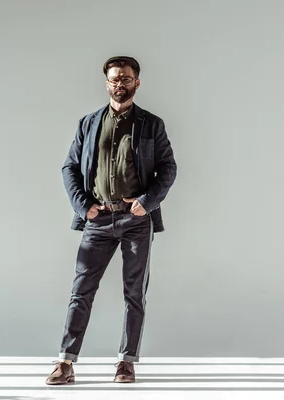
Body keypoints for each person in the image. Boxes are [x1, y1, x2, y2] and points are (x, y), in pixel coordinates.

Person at [45, 56, 177, 385]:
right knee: (81, 291)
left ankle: (126, 362)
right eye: (115, 78)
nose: (121, 83)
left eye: (127, 78)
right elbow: (69, 168)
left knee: (134, 294)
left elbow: (168, 168)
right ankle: (65, 361)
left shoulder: (151, 124)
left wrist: (146, 203)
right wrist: (82, 205)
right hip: (98, 219)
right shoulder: (88, 124)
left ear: (137, 83)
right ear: (107, 82)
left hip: (135, 221)